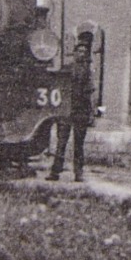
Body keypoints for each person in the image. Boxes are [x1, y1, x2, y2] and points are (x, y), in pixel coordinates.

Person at [48, 40, 95, 182]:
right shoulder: (66, 69)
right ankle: (55, 171)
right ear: (74, 54)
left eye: (84, 52)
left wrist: (91, 113)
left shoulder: (88, 72)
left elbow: (91, 93)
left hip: (81, 111)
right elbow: (58, 88)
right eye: (79, 51)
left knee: (79, 144)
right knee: (61, 142)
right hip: (65, 111)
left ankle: (78, 172)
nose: (82, 54)